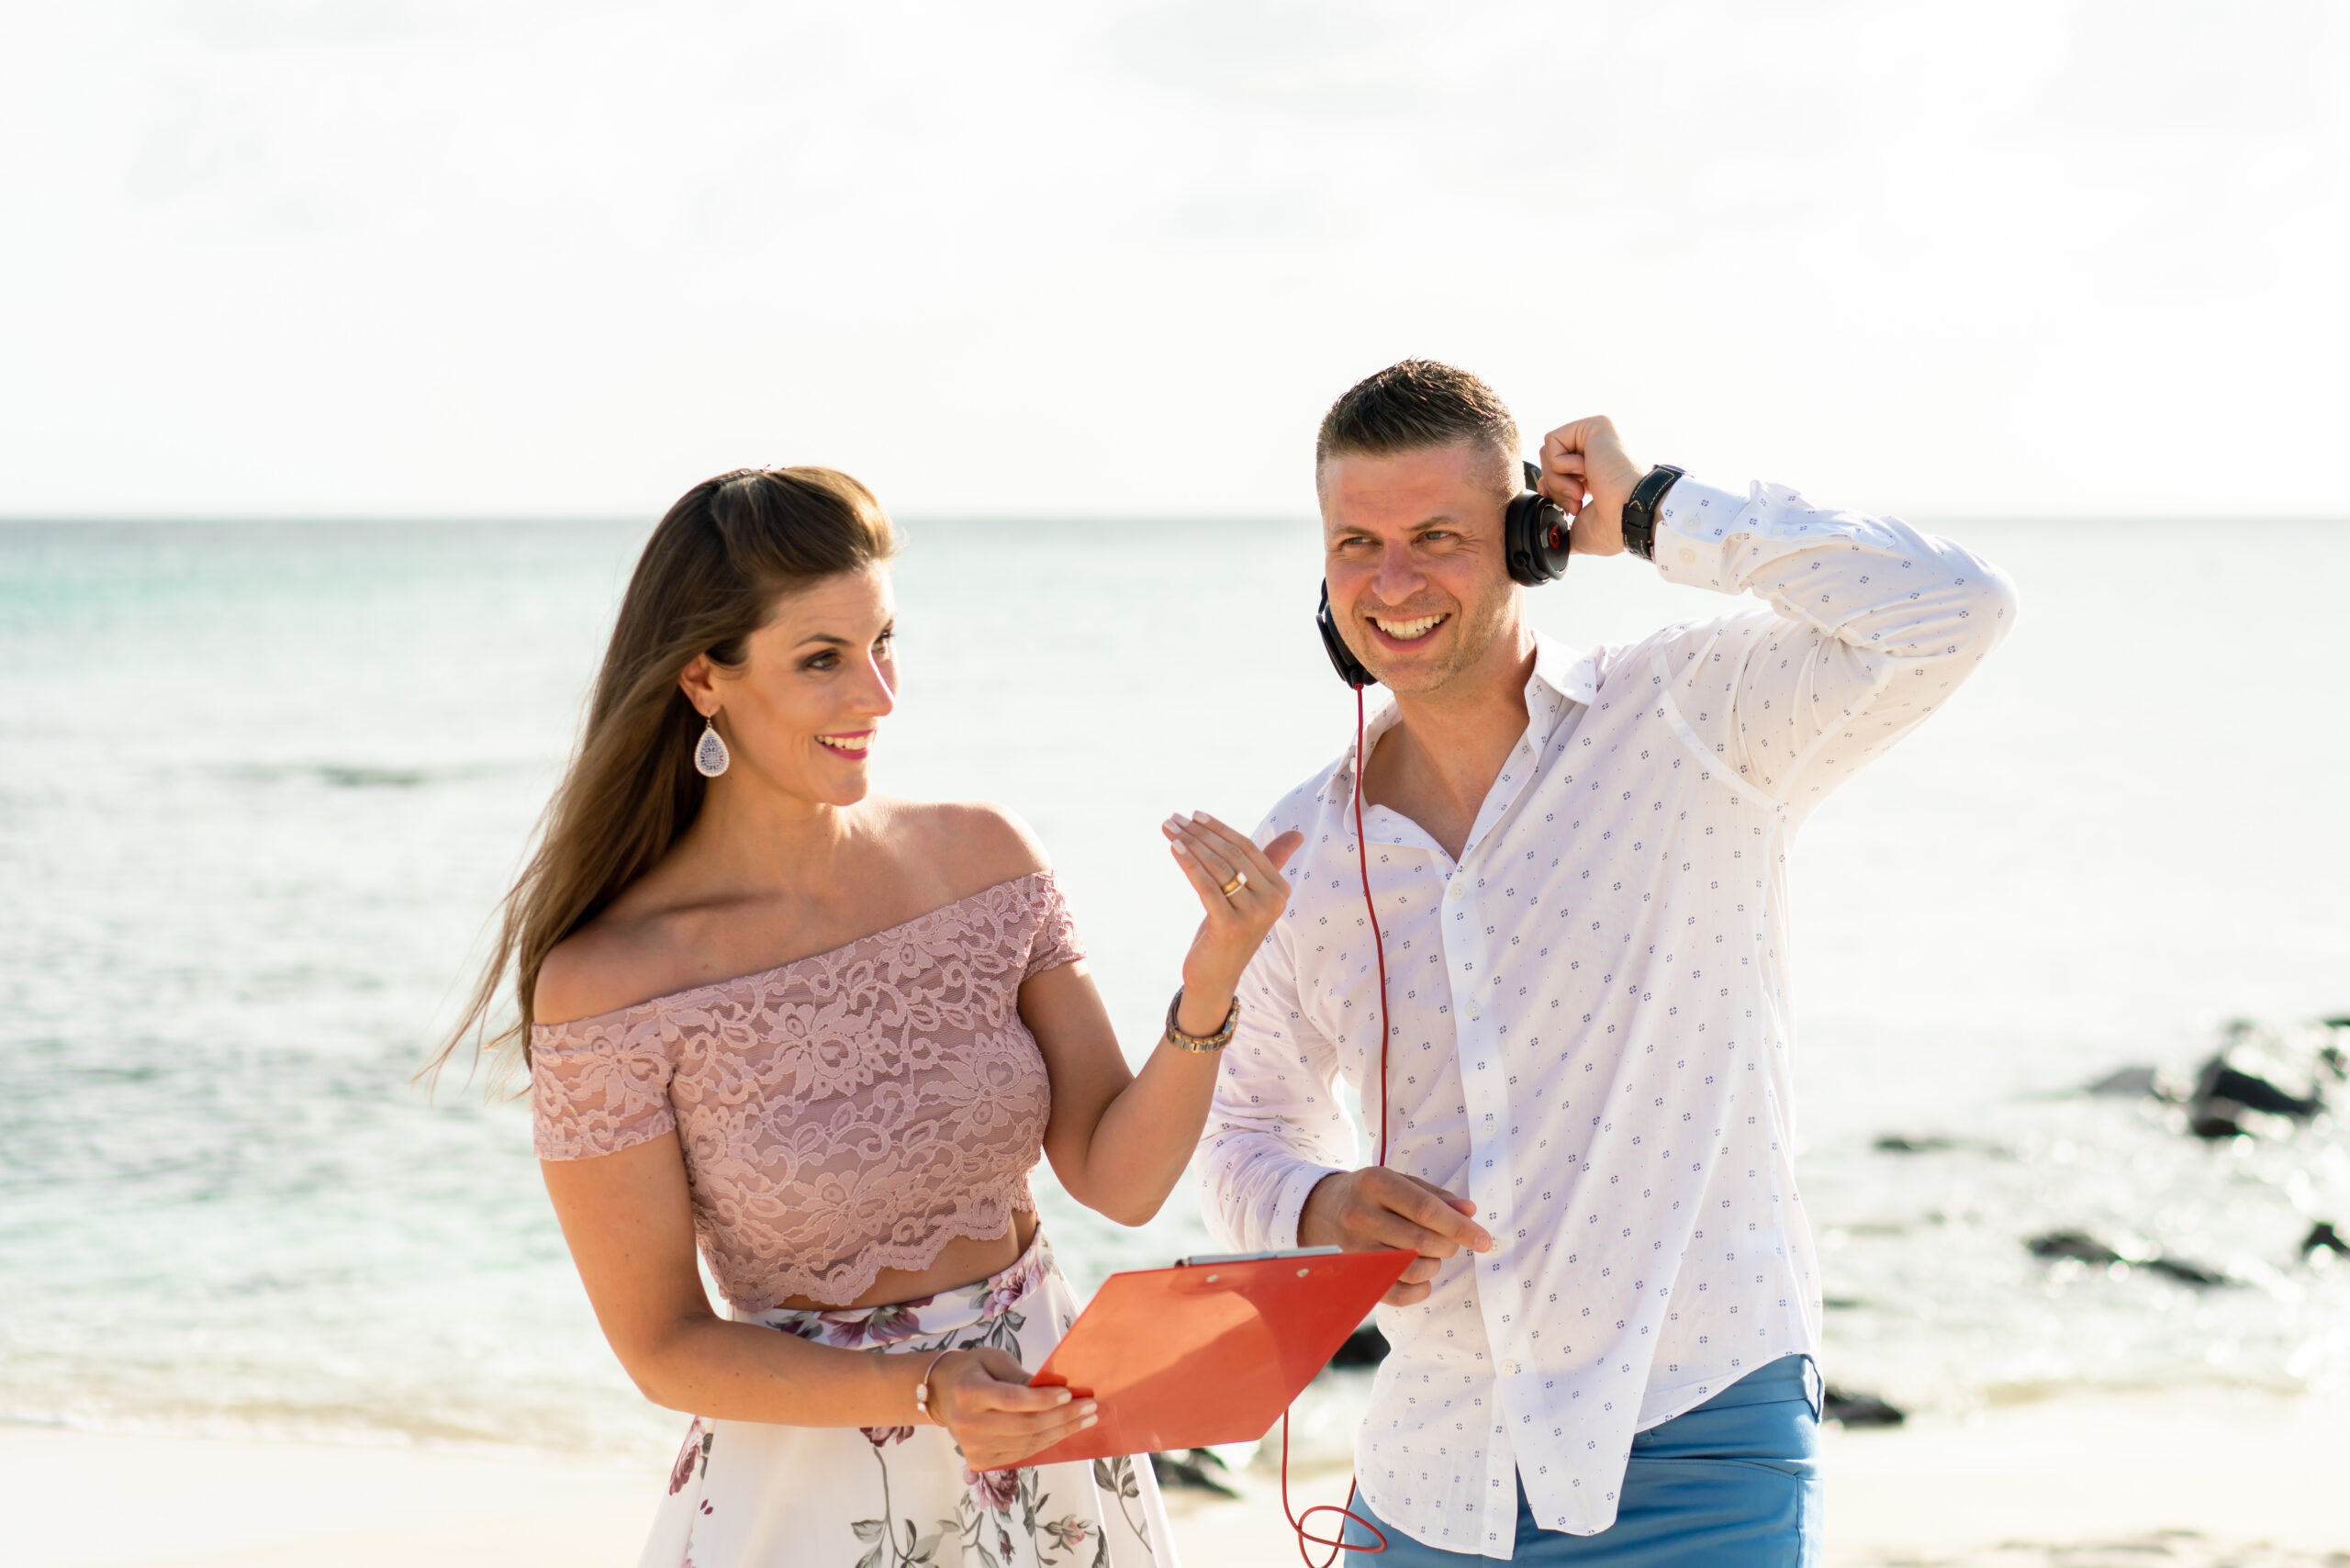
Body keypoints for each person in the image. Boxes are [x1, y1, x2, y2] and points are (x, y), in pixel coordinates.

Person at [1197, 362, 2017, 1564]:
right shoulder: (1304, 852)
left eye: (1438, 536)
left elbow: (1955, 610)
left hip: (1701, 1441)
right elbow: (1242, 1129)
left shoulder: (1694, 717)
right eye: (1355, 543)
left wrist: (1654, 512)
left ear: (1531, 541)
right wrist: (1320, 1205)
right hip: (1433, 1473)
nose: (1392, 583)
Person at [437, 466, 1300, 1568]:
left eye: (884, 642)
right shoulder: (611, 983)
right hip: (810, 1498)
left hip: (1052, 1462)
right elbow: (663, 1345)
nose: (879, 696)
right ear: (705, 678)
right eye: (822, 660)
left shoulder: (985, 860)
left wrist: (1213, 980)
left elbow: (1118, 1181)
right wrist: (922, 1387)